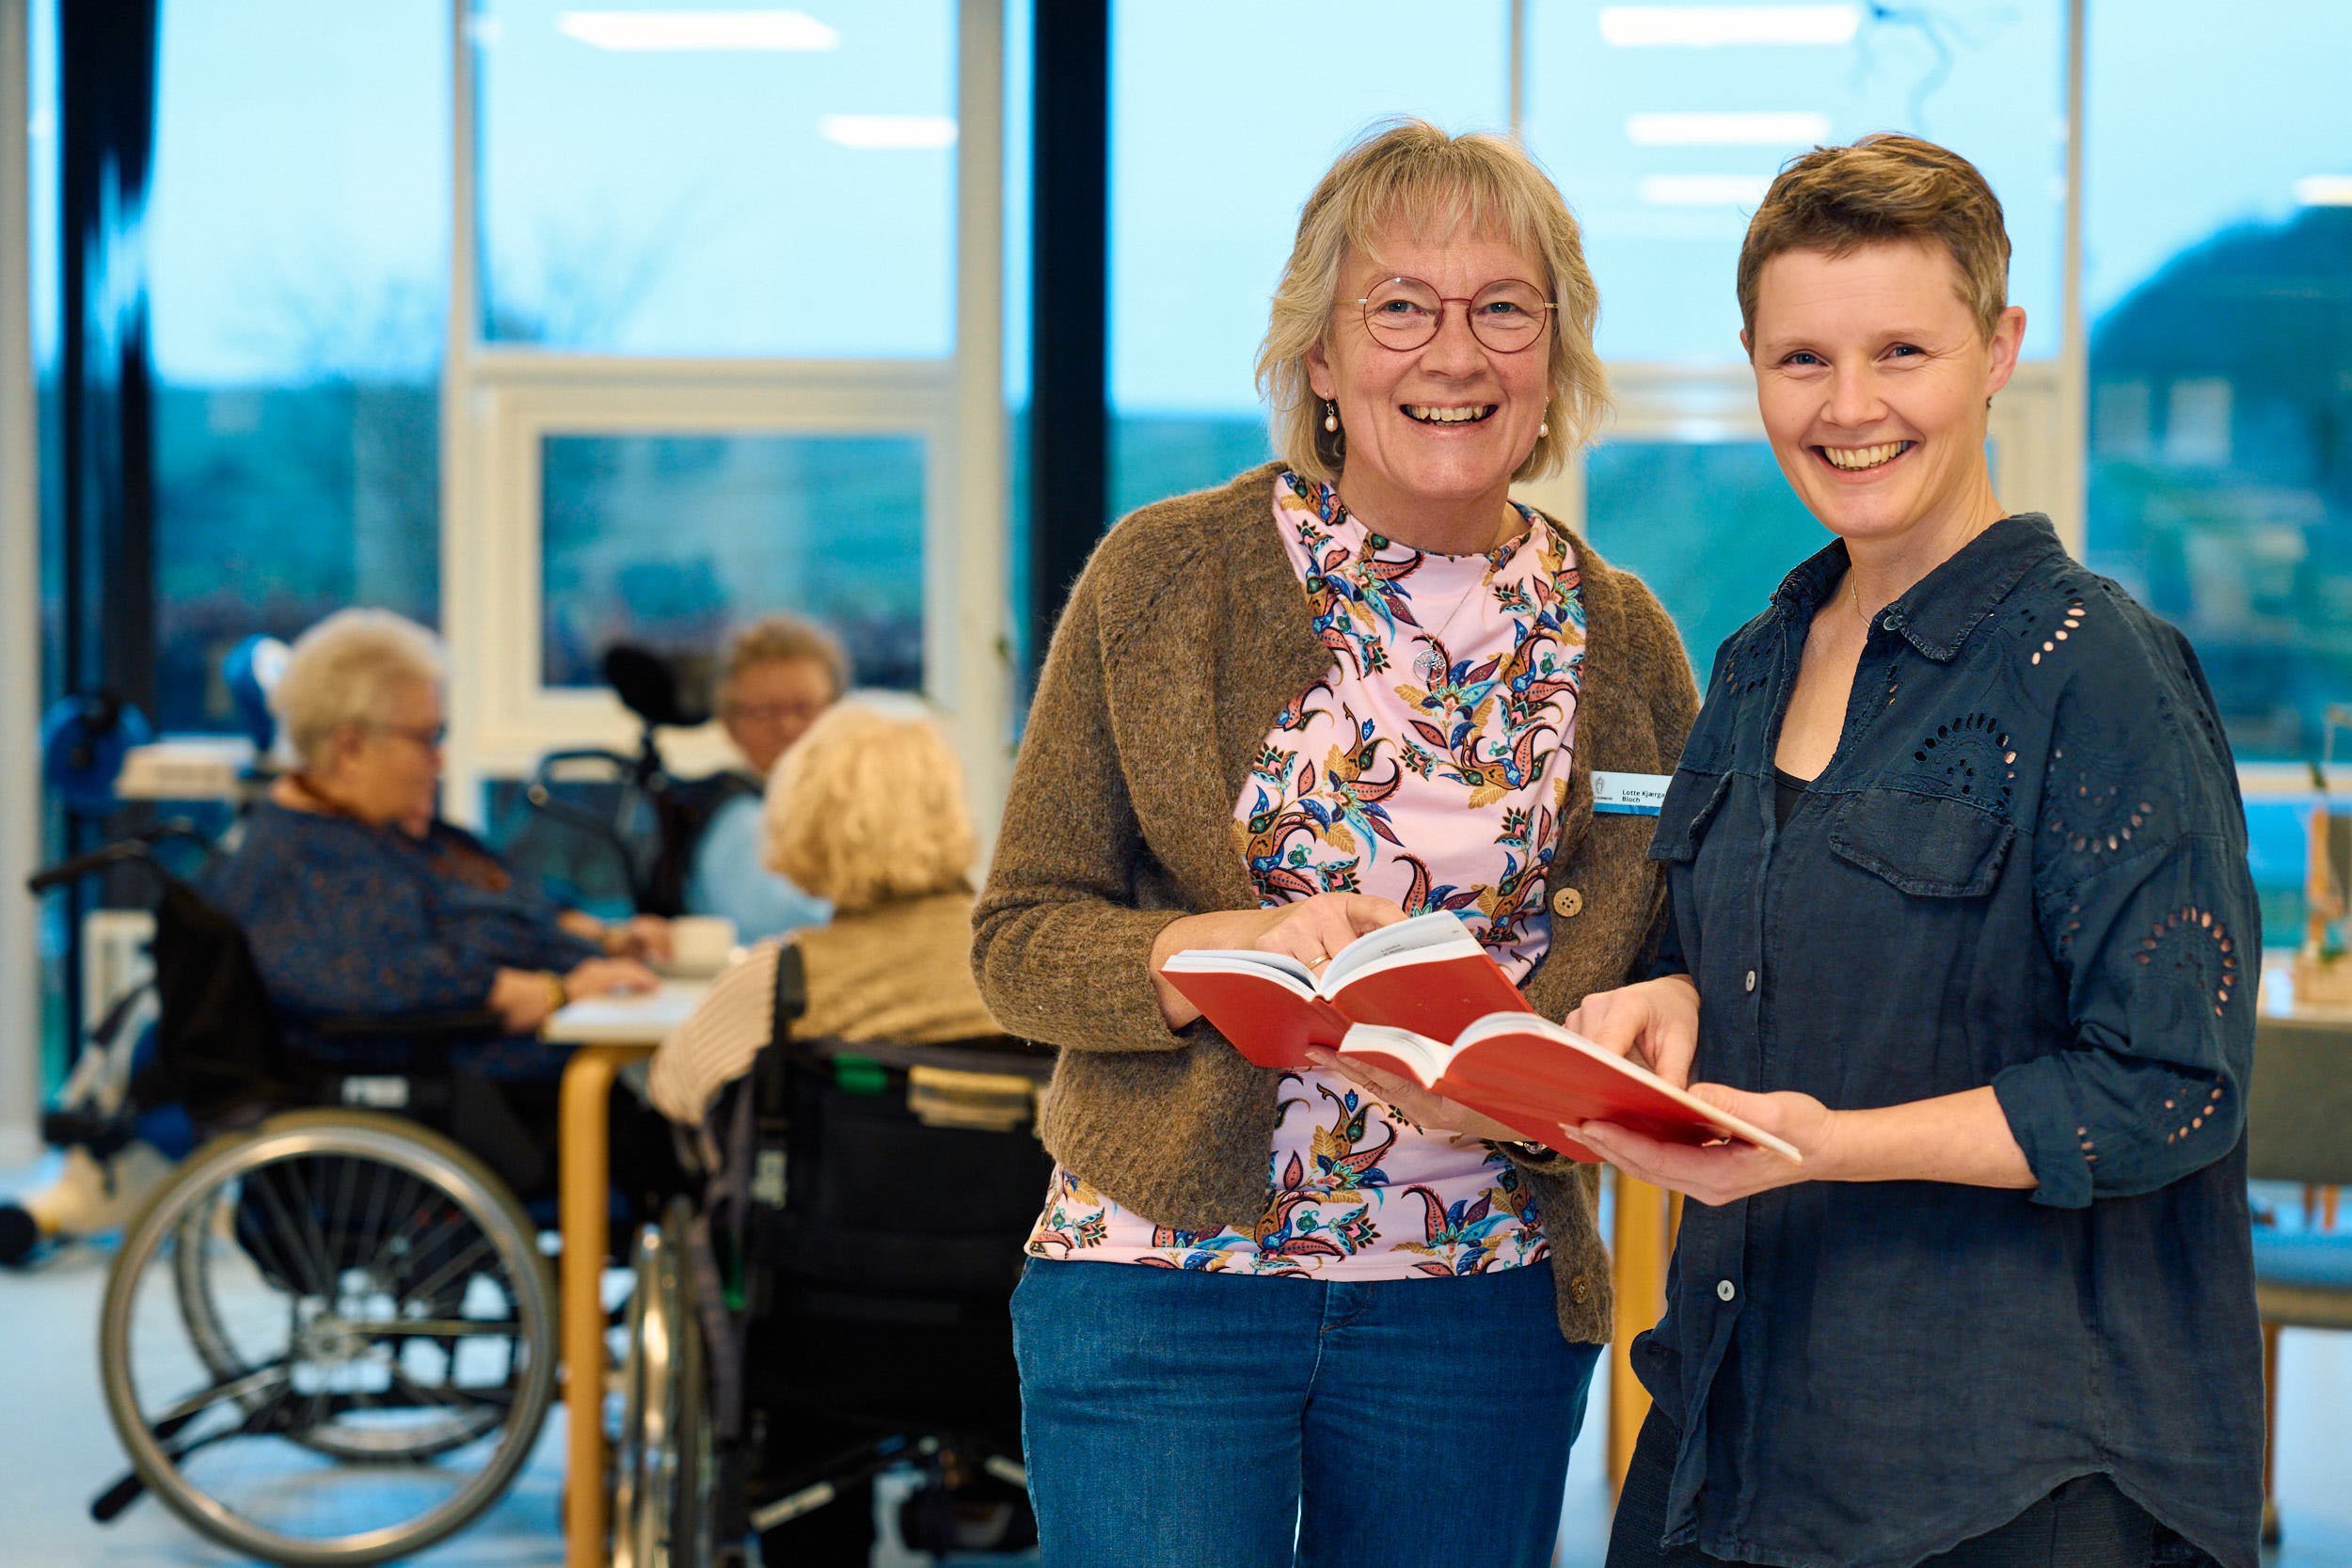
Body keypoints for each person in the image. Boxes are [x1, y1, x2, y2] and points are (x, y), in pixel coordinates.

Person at [972, 119, 1700, 1567]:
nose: (1456, 352)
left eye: (1505, 308)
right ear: (1319, 354)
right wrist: (1209, 948)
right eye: (1400, 307)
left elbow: (1676, 954)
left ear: (1555, 355)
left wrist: (1651, 1013)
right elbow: (1017, 942)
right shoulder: (1163, 577)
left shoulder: (1625, 640)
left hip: (1478, 1301)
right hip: (1162, 1283)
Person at [1525, 135, 2253, 1568]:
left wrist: (1833, 1147)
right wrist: (1667, 995)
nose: (1848, 407)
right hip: (1734, 1434)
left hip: (2012, 1475)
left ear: (1999, 351)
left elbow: (2174, 1085)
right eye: (1801, 358)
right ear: (1753, 364)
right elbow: (1736, 950)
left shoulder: (2098, 669)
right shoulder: (1753, 661)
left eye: (1901, 351)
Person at [650, 701, 1007, 1565]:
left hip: (825, 1337)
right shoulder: (1015, 965)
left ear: (801, 824)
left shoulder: (781, 979)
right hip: (1006, 1328)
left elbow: (675, 1091)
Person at [205, 608, 682, 1206]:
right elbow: (386, 985)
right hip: (460, 1100)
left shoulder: (382, 832)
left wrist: (603, 937)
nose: (440, 759)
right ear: (350, 748)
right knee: (666, 1133)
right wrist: (554, 992)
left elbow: (503, 896)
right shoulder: (300, 863)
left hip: (503, 1075)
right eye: (426, 739)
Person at [682, 614, 845, 940]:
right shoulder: (740, 820)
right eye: (765, 712)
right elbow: (784, 923)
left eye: (804, 708)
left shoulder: (845, 803)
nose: (787, 726)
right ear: (729, 723)